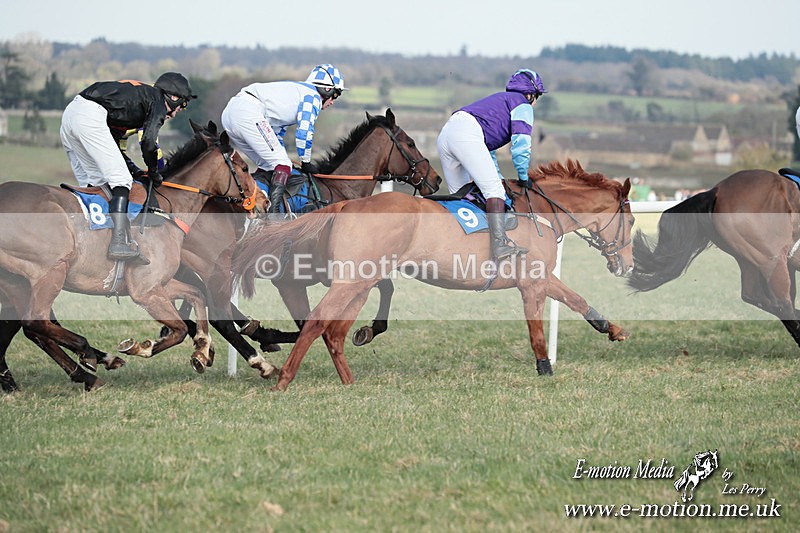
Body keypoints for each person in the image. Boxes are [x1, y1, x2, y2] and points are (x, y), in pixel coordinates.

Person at [60, 72, 196, 262]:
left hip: (71, 114)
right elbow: (148, 143)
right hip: (89, 116)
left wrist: (137, 171)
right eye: (181, 105)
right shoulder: (157, 102)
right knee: (122, 181)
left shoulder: (136, 101)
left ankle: (91, 240)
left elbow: (115, 150)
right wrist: (154, 171)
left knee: (98, 183)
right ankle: (118, 243)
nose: (176, 112)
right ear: (173, 97)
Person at [436, 69, 547, 260]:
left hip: (446, 133)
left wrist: (499, 178)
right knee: (494, 192)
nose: (535, 103)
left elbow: (488, 154)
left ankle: (456, 248)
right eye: (537, 96)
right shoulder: (522, 105)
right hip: (466, 135)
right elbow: (521, 146)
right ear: (530, 94)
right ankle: (499, 245)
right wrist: (523, 176)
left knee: (461, 198)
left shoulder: (499, 100)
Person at [221, 64, 347, 213]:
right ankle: (274, 215)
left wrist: (284, 158)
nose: (332, 101)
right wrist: (306, 161)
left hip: (230, 114)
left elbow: (276, 135)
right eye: (335, 94)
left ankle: (257, 201)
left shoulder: (297, 94)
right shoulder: (312, 97)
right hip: (248, 112)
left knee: (270, 164)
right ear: (327, 89)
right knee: (282, 163)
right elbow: (304, 132)